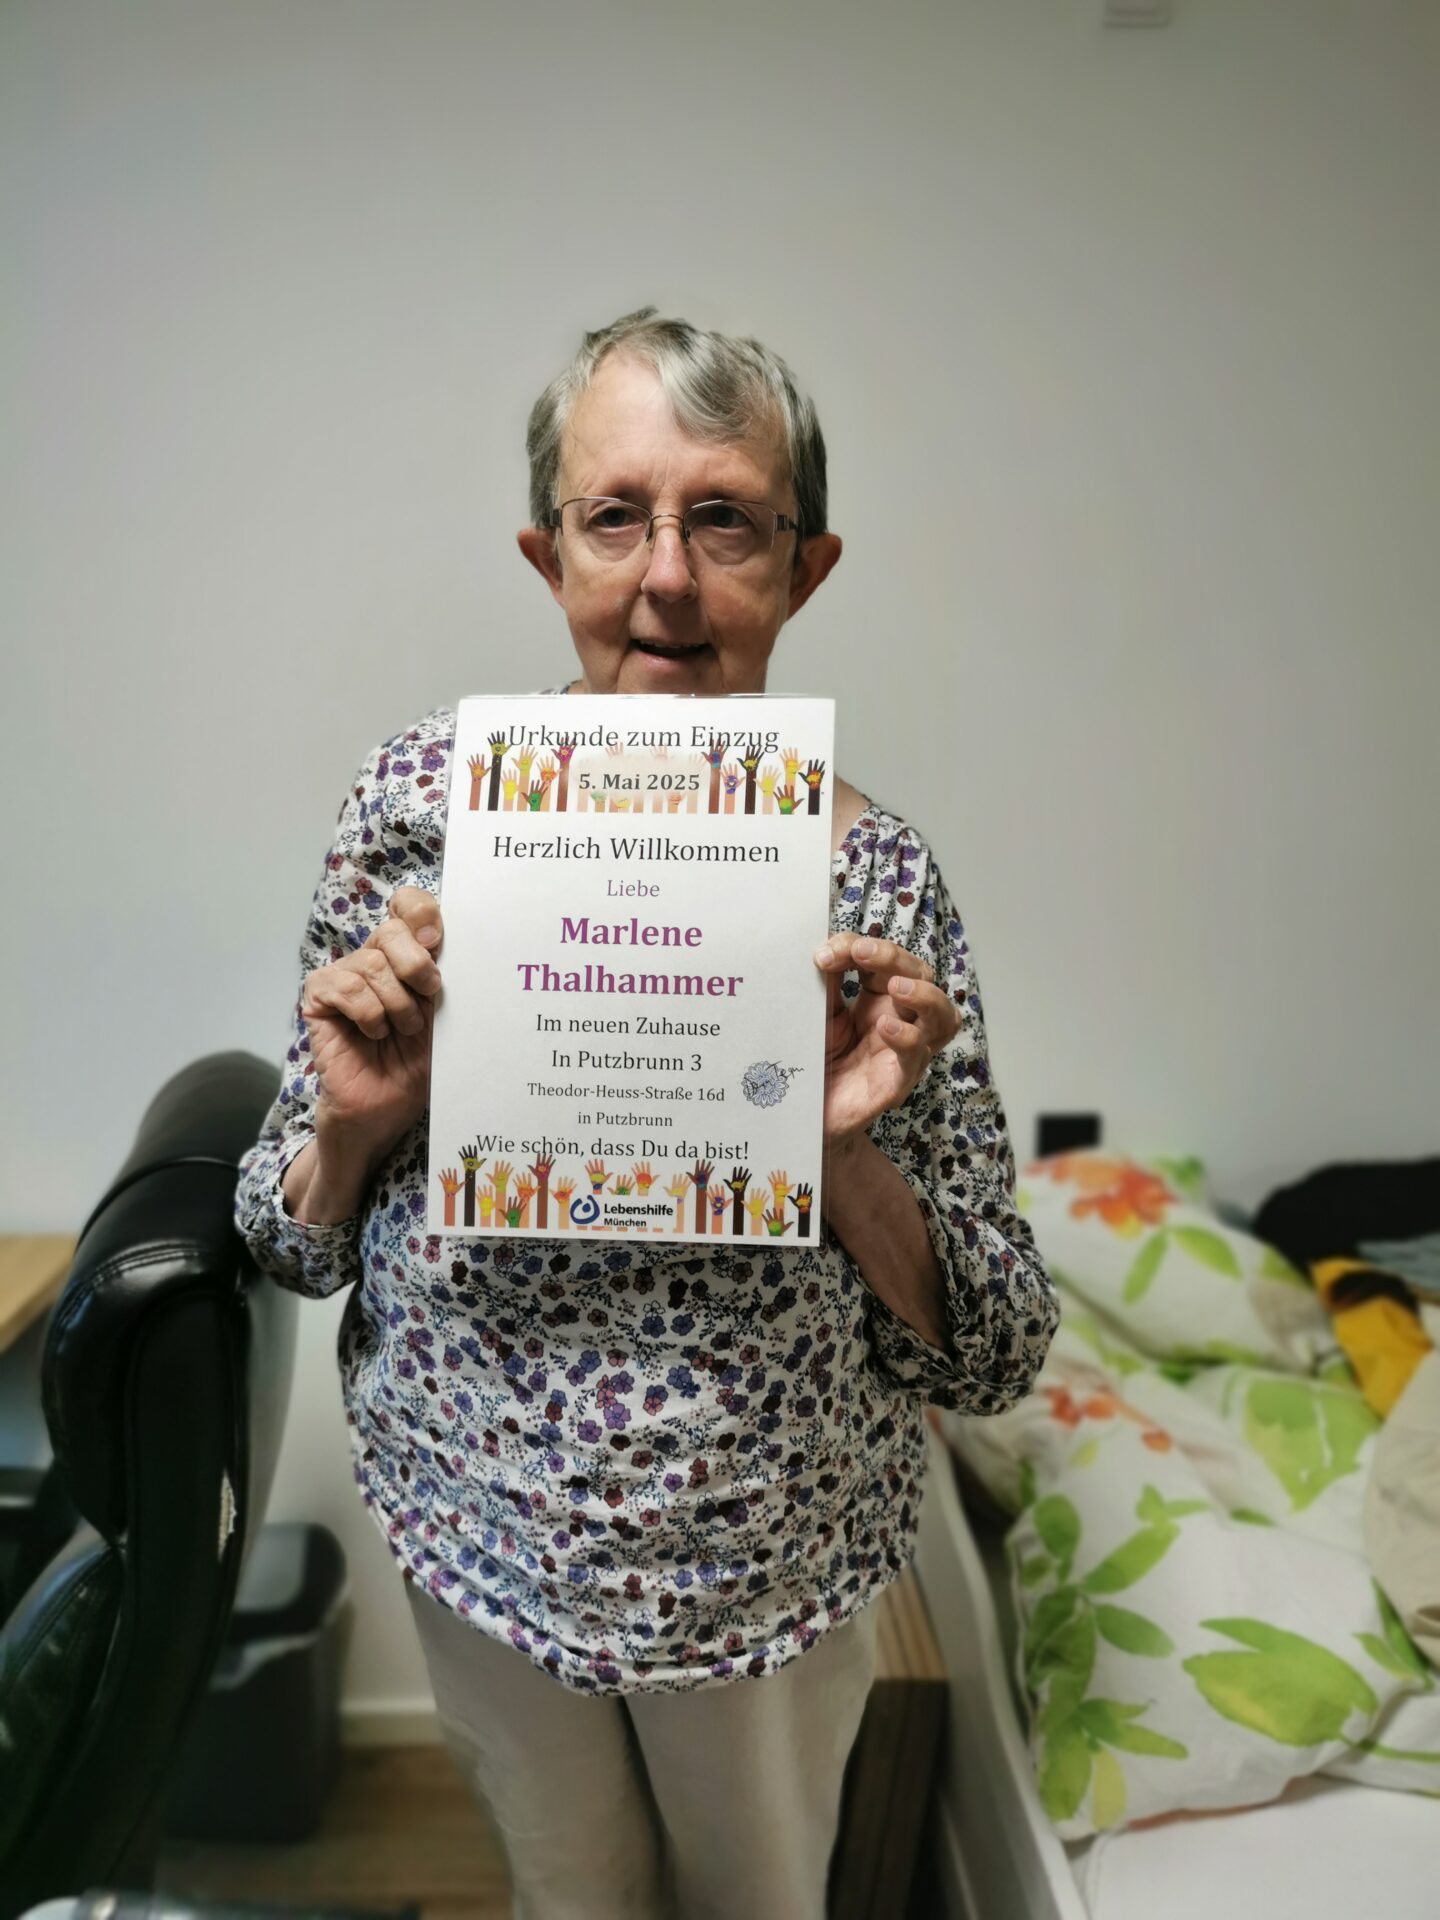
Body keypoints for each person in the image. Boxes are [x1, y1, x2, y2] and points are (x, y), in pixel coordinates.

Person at [235, 308, 1058, 1919]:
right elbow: (285, 1236)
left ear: (805, 569)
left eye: (725, 520)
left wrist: (842, 1157)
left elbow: (998, 1349)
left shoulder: (879, 887)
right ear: (548, 556)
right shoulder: (415, 816)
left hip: (771, 1575)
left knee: (761, 1900)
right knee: (568, 1897)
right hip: (477, 1536)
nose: (666, 576)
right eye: (616, 516)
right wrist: (356, 1126)